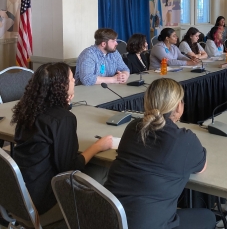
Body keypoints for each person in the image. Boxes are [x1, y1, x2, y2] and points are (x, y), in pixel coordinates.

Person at [105, 78, 215, 229]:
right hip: (148, 224)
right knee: (207, 217)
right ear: (178, 106)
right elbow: (201, 167)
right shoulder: (184, 140)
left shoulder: (132, 127)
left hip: (110, 219)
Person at [12, 63, 113, 224]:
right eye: (72, 79)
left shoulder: (28, 109)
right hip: (44, 199)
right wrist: (97, 147)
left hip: (18, 193)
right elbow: (68, 169)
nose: (74, 82)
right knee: (103, 171)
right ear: (61, 87)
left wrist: (64, 105)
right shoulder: (62, 119)